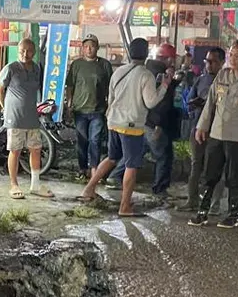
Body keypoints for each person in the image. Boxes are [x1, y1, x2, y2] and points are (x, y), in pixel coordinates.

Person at [79, 37, 169, 217]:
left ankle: (88, 190)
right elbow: (150, 102)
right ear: (146, 54)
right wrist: (164, 86)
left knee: (112, 157)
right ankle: (125, 206)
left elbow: (110, 98)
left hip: (113, 121)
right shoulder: (146, 75)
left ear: (129, 52)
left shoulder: (118, 71)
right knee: (131, 165)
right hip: (132, 125)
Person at [189, 39, 238, 229]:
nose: (233, 58)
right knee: (210, 175)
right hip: (217, 134)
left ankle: (232, 215)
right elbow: (211, 104)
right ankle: (202, 212)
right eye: (231, 54)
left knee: (234, 177)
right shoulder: (223, 75)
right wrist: (202, 127)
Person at [0, 37, 53, 200]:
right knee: (15, 150)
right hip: (14, 118)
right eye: (22, 50)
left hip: (32, 117)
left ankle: (35, 185)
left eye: (29, 51)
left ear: (34, 52)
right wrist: (5, 108)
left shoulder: (36, 68)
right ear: (18, 51)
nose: (25, 54)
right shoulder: (11, 68)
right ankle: (14, 185)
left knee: (35, 149)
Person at [184, 47, 227, 214]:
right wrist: (196, 104)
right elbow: (189, 101)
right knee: (196, 165)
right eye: (207, 61)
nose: (209, 65)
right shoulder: (201, 79)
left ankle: (213, 205)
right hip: (197, 127)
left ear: (222, 62)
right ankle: (192, 200)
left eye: (213, 61)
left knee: (214, 168)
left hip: (217, 131)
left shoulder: (226, 81)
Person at [64, 34, 113, 179]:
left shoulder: (104, 65)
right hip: (80, 110)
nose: (89, 49)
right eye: (86, 46)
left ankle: (94, 169)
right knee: (82, 140)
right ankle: (82, 168)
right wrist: (69, 104)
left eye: (92, 46)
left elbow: (111, 87)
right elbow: (70, 85)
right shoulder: (77, 64)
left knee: (95, 140)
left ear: (97, 48)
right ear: (83, 48)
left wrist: (110, 105)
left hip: (98, 110)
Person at [145, 42, 182, 204]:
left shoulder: (150, 71)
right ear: (167, 59)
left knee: (134, 155)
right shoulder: (161, 75)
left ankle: (114, 178)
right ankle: (160, 189)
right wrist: (159, 124)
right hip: (156, 123)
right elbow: (162, 101)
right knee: (164, 157)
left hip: (146, 121)